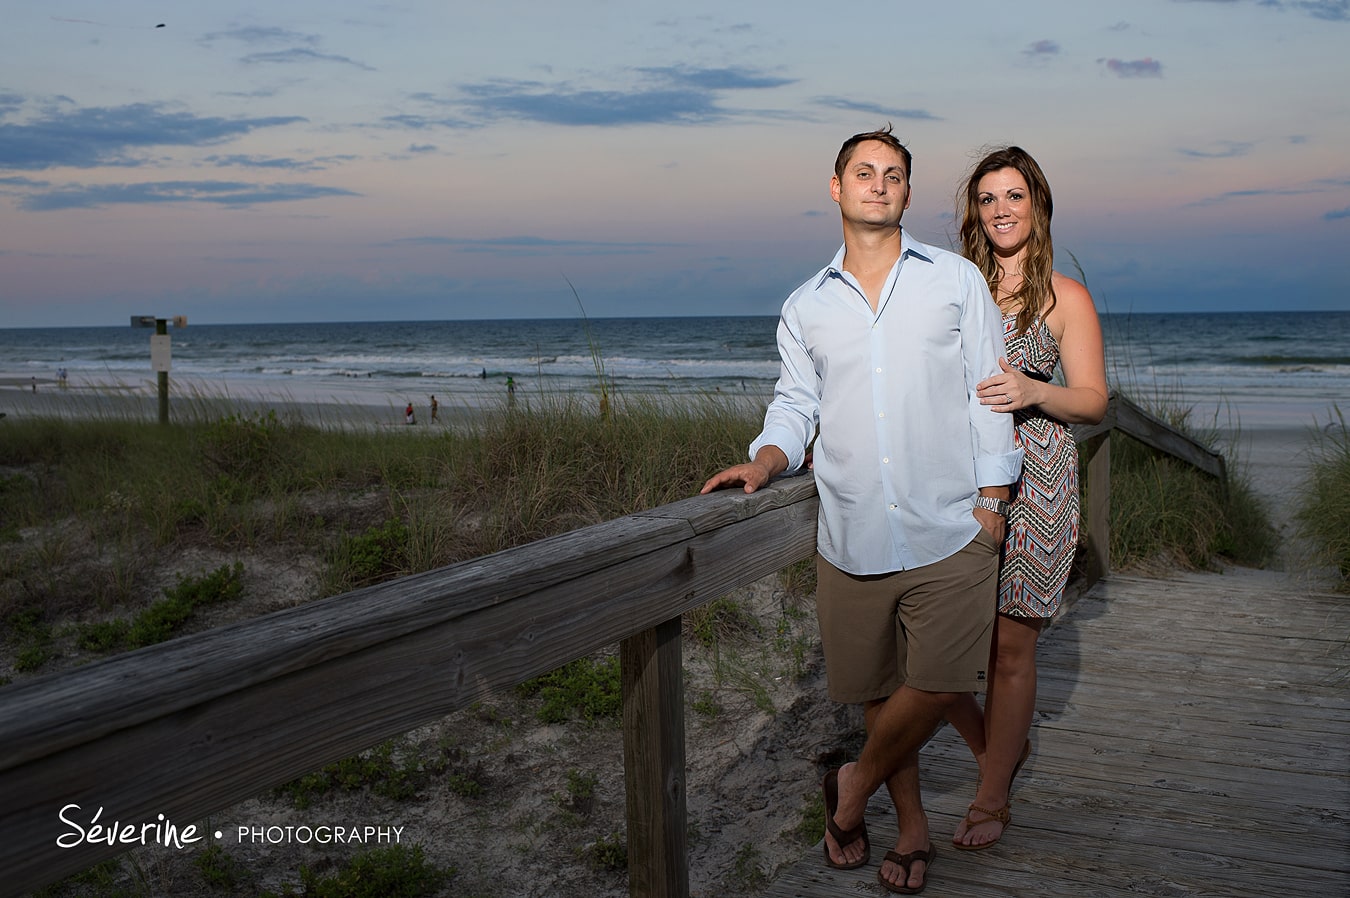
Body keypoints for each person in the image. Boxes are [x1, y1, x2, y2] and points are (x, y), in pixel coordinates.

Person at [700, 126, 1022, 894]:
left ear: (907, 192)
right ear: (837, 188)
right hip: (852, 531)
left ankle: (850, 787)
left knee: (941, 680)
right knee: (879, 692)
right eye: (865, 172)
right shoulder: (805, 306)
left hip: (953, 524)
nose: (879, 184)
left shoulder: (954, 280)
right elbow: (795, 404)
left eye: (894, 174)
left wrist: (994, 499)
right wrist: (767, 459)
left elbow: (990, 391)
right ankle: (910, 830)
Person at [944, 146, 1108, 851]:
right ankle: (999, 752)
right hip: (959, 482)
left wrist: (1035, 389)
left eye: (1014, 195)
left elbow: (1094, 401)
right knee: (939, 647)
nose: (1001, 209)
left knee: (1011, 649)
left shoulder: (1066, 297)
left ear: (1038, 205)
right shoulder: (954, 288)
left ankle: (991, 795)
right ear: (975, 212)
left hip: (1039, 483)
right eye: (988, 198)